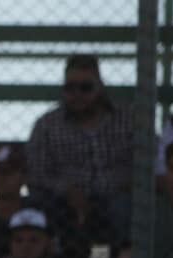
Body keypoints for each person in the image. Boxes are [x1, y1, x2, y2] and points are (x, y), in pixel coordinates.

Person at [25, 54, 134, 244]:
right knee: (47, 207)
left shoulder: (128, 120)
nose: (77, 95)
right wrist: (66, 190)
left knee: (125, 208)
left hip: (119, 196)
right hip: (66, 202)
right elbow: (36, 173)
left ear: (100, 87)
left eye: (85, 88)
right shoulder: (47, 125)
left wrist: (127, 184)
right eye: (70, 88)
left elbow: (149, 161)